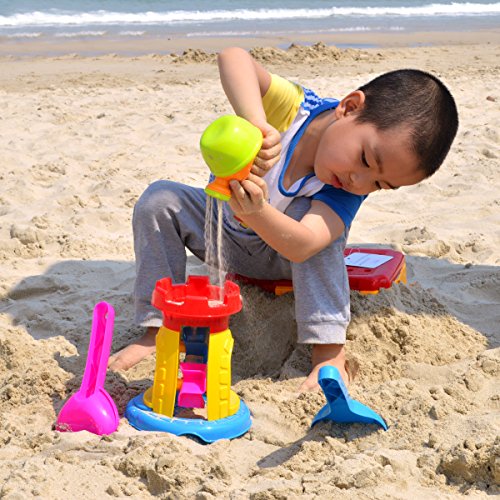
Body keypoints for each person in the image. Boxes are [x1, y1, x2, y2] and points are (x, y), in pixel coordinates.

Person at [109, 46, 458, 391]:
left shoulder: (344, 188)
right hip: (224, 233)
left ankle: (328, 353)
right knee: (159, 200)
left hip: (283, 255)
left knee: (322, 235)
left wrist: (258, 212)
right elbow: (232, 57)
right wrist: (256, 122)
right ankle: (158, 329)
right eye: (366, 159)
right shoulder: (293, 110)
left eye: (380, 185)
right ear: (349, 107)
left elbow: (305, 245)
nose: (359, 181)